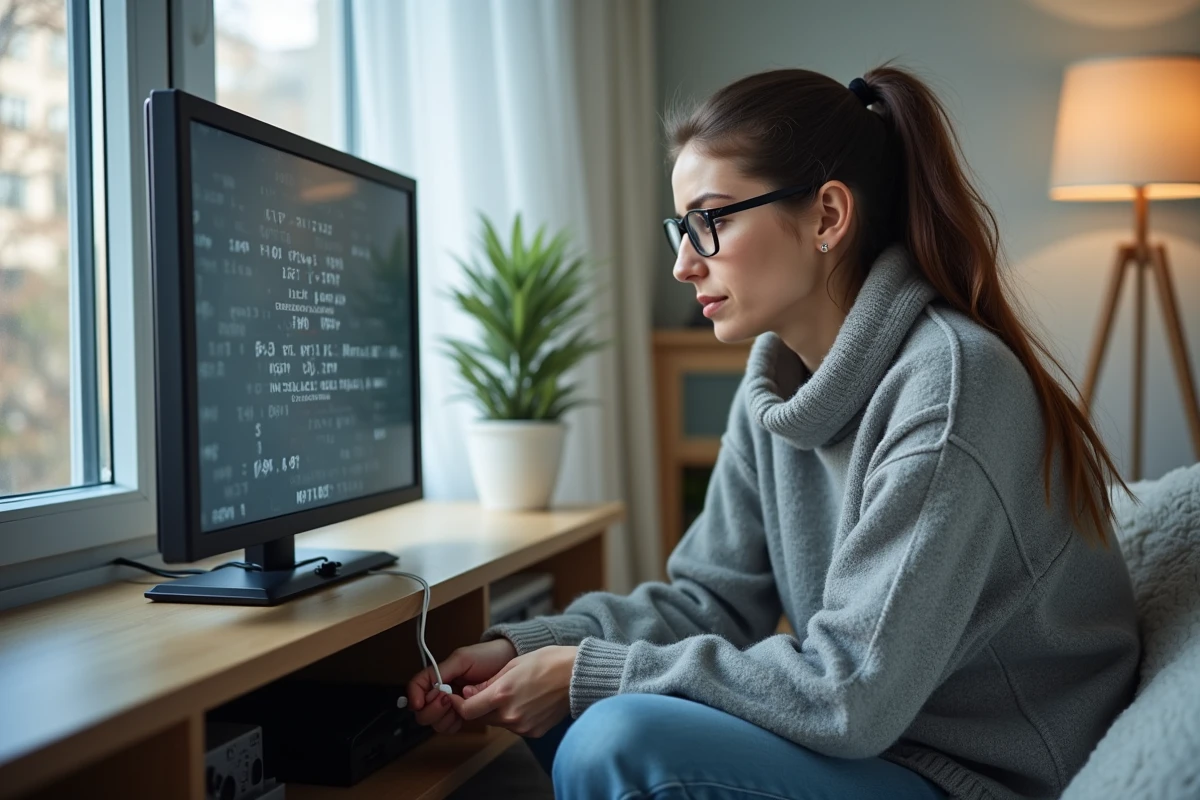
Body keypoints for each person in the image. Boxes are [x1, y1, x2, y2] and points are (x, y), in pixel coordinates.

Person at [405, 65, 1141, 800]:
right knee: (565, 712)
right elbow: (706, 603)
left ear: (826, 217)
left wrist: (587, 675)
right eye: (680, 227)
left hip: (972, 775)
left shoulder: (951, 386)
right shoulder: (778, 387)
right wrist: (523, 648)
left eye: (710, 221)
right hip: (878, 744)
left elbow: (852, 693)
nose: (683, 263)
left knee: (612, 738)